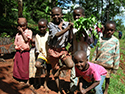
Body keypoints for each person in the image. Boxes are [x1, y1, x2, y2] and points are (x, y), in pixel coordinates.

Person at [47, 7, 74, 94]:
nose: (55, 16)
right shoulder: (50, 25)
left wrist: (70, 30)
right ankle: (59, 89)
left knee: (70, 64)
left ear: (61, 15)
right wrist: (67, 28)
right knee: (55, 70)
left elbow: (70, 39)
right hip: (53, 50)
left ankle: (60, 69)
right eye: (53, 15)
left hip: (62, 50)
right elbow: (56, 35)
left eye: (57, 14)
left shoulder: (66, 24)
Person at [92, 21, 120, 94]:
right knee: (97, 79)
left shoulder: (115, 41)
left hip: (109, 65)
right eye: (108, 30)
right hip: (99, 64)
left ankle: (106, 90)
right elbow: (96, 51)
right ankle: (97, 89)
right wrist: (93, 61)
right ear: (104, 29)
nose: (109, 32)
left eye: (112, 30)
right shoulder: (100, 39)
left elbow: (117, 54)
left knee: (107, 77)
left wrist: (115, 67)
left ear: (114, 30)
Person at [70, 7, 93, 92]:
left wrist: (84, 31)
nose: (76, 17)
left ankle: (84, 88)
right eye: (74, 15)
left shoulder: (88, 27)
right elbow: (71, 40)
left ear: (83, 15)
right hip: (75, 54)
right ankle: (73, 89)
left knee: (85, 73)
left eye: (78, 15)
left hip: (85, 54)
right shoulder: (73, 27)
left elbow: (90, 41)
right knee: (73, 73)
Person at [13, 17, 32, 84]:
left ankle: (25, 78)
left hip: (25, 51)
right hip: (18, 51)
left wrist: (22, 32)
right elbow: (16, 43)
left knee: (25, 66)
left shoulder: (29, 32)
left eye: (24, 25)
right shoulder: (17, 34)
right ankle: (18, 77)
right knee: (18, 65)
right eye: (20, 26)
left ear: (26, 24)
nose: (22, 27)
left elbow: (26, 40)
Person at [35, 18, 51, 90]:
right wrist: (36, 56)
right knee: (37, 65)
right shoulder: (37, 36)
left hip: (49, 55)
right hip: (41, 55)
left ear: (46, 27)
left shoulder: (49, 34)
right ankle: (39, 82)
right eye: (40, 27)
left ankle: (45, 84)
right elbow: (37, 47)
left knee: (48, 72)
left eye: (43, 27)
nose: (41, 29)